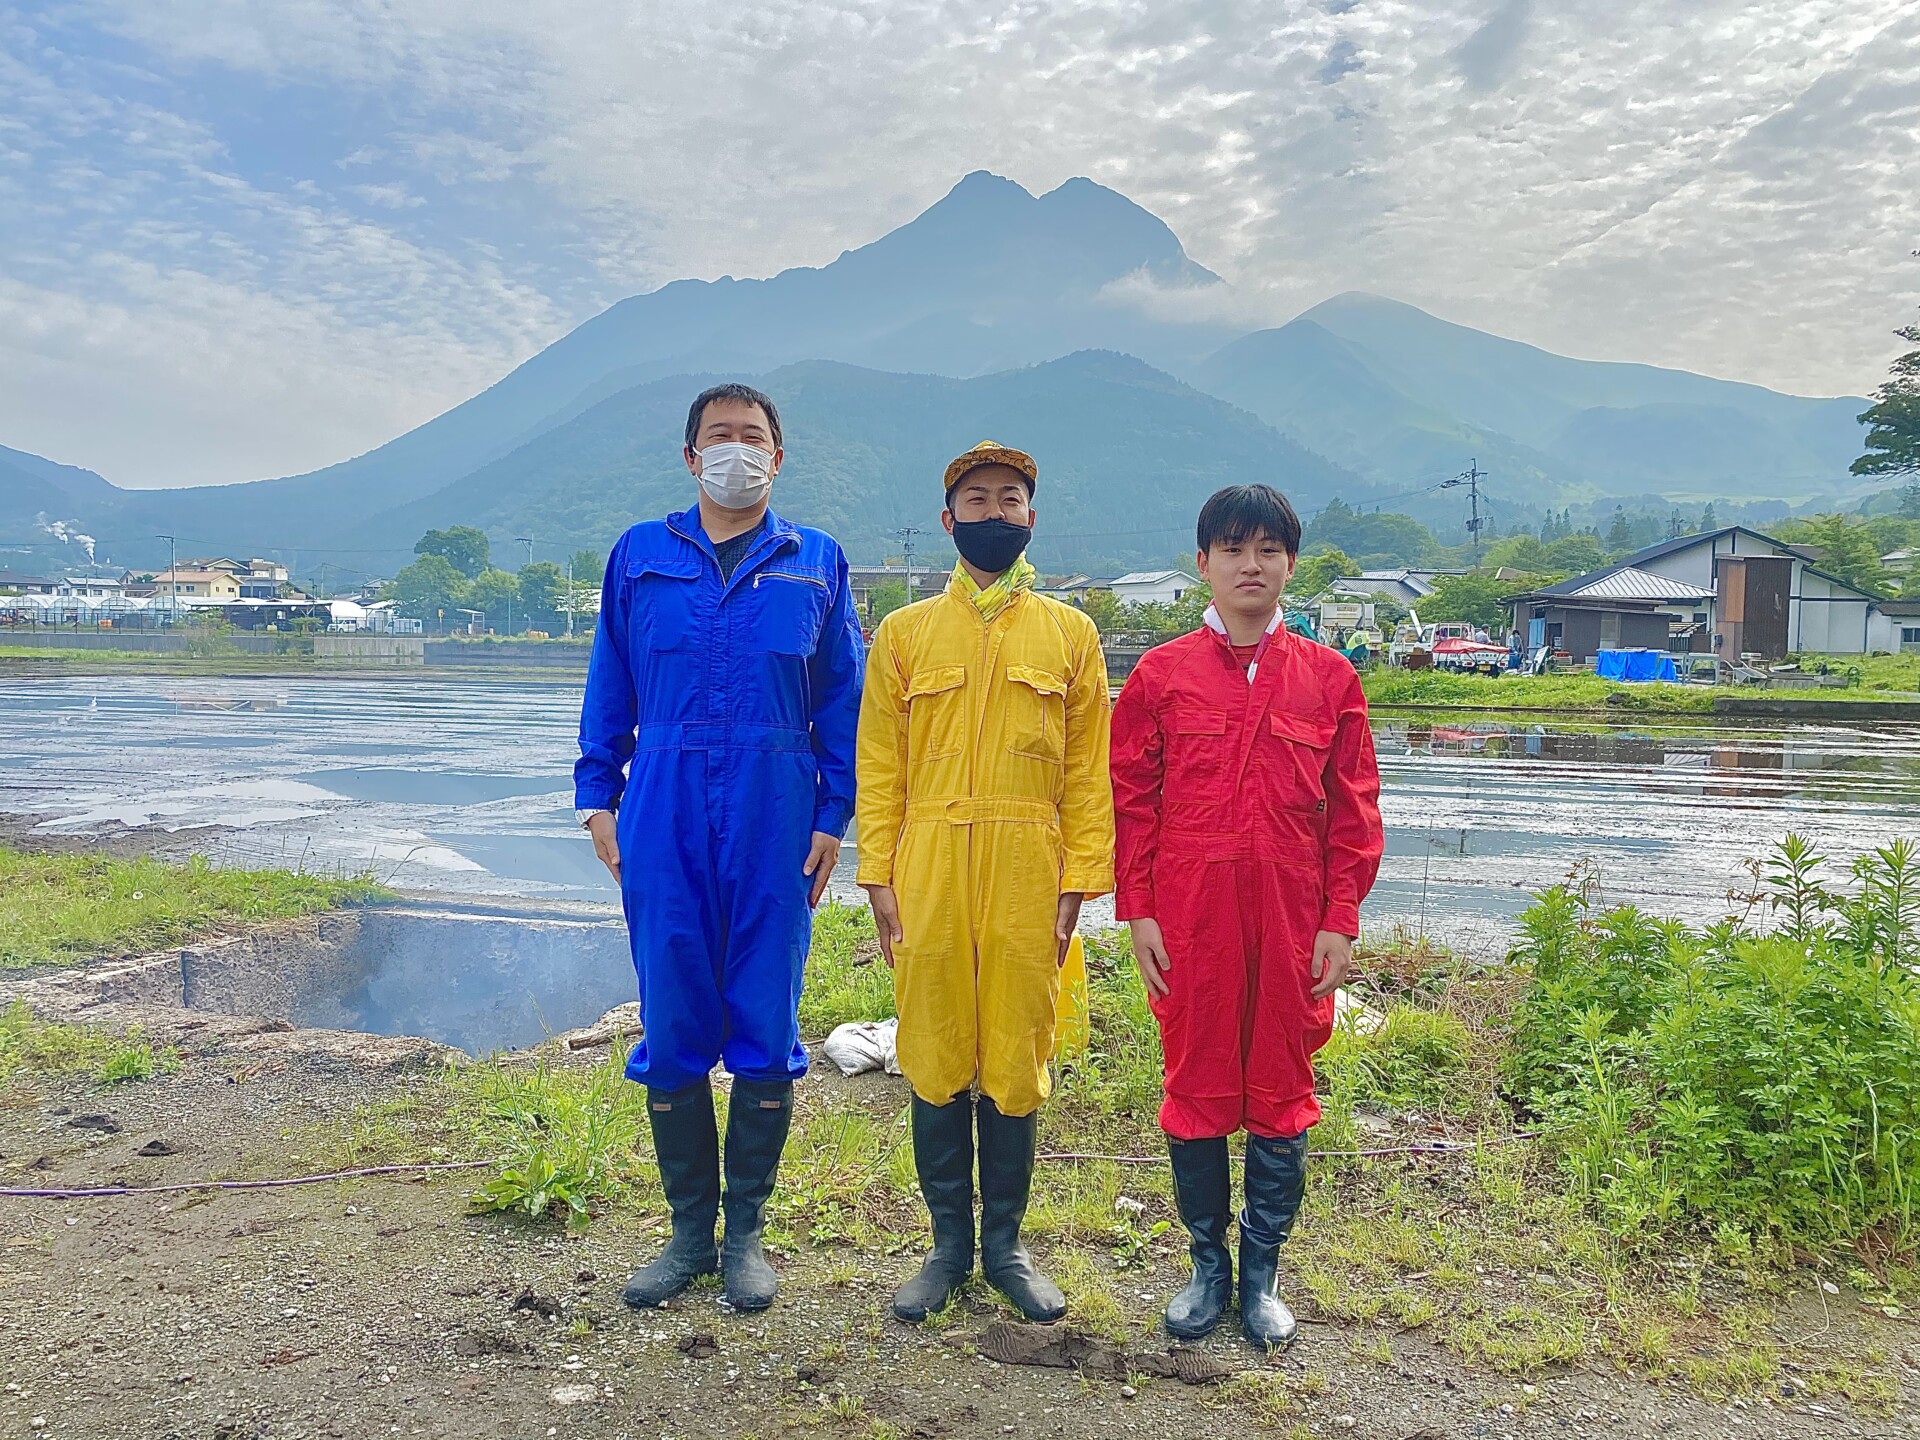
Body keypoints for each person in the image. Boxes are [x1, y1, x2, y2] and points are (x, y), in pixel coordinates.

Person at [576, 382, 865, 1313]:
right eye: (718, 435)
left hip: (776, 809)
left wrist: (833, 816)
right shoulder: (640, 555)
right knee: (672, 1021)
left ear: (777, 457)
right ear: (691, 455)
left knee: (766, 1022)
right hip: (661, 801)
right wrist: (596, 797)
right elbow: (610, 680)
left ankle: (745, 1235)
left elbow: (843, 700)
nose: (736, 449)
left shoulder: (815, 560)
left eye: (753, 436)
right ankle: (688, 1234)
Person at [1109, 483, 1382, 1350]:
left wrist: (1340, 917)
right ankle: (1207, 1268)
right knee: (1194, 1086)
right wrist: (1139, 909)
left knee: (1281, 1089)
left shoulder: (1330, 679)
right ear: (1204, 564)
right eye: (1233, 549)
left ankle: (1261, 1274)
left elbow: (1355, 811)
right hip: (1190, 916)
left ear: (1290, 564)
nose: (1250, 565)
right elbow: (1132, 803)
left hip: (1293, 916)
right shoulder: (1160, 676)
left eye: (1268, 549)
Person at [856, 441, 1114, 1325]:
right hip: (928, 858)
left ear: (1030, 517)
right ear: (948, 519)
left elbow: (1088, 772)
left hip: (1028, 865)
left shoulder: (1071, 634)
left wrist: (1078, 882)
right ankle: (946, 1250)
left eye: (1010, 499)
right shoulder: (904, 634)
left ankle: (1004, 1248)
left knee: (1014, 1053)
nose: (994, 513)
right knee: (933, 1050)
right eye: (977, 499)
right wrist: (878, 872)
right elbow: (879, 764)